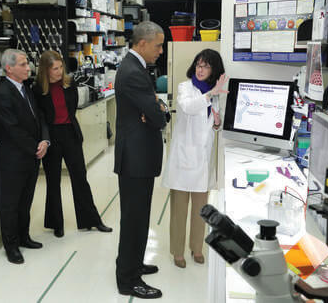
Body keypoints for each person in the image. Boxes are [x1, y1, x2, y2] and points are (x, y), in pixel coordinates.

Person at [32, 50, 112, 237]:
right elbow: (41, 117)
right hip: (52, 137)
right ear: (45, 70)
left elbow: (72, 108)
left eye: (61, 67)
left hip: (70, 134)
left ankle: (91, 220)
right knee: (53, 181)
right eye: (55, 69)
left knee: (80, 178)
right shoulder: (38, 90)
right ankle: (56, 224)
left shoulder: (70, 84)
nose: (59, 72)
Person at [161, 49, 228, 268]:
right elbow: (188, 107)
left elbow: (212, 126)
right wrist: (209, 95)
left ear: (214, 70)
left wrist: (217, 123)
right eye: (198, 65)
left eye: (206, 66)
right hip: (183, 159)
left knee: (202, 210)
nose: (200, 70)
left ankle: (197, 248)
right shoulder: (185, 87)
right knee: (179, 210)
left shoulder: (214, 93)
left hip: (202, 161)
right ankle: (177, 252)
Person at [114, 21, 166, 299]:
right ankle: (127, 279)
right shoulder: (133, 72)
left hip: (138, 156)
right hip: (135, 158)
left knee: (139, 216)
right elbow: (157, 116)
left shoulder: (136, 68)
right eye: (158, 45)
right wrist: (158, 112)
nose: (160, 51)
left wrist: (156, 109)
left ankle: (133, 263)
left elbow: (155, 109)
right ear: (142, 44)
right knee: (134, 219)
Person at [0, 49, 50, 264]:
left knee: (25, 200)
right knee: (10, 203)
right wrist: (35, 146)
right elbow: (13, 129)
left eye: (28, 64)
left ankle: (24, 237)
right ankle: (11, 246)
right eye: (24, 64)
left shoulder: (26, 89)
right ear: (9, 68)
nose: (29, 68)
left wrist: (44, 140)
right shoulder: (3, 94)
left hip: (31, 156)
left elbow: (40, 117)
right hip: (13, 159)